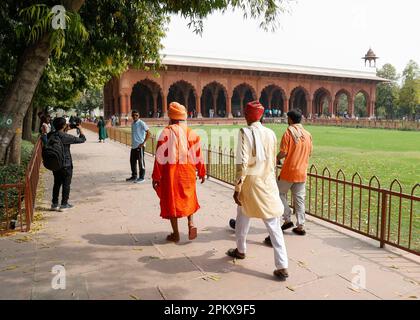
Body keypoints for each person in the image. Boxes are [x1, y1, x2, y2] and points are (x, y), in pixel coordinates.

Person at [227, 100, 289, 280]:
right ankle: (282, 265)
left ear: (247, 115)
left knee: (242, 217)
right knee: (273, 225)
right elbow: (271, 161)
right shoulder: (270, 133)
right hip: (267, 182)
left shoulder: (244, 132)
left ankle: (240, 250)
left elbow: (242, 163)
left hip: (250, 183)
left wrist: (237, 186)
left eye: (245, 113)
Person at [152, 102, 206, 243]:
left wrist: (156, 176)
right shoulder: (191, 133)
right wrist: (201, 171)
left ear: (171, 117)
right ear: (183, 117)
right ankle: (191, 223)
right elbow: (198, 155)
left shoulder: (166, 132)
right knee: (189, 197)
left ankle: (176, 234)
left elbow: (159, 157)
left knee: (171, 201)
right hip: (188, 172)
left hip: (171, 174)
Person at [264, 108, 313, 245]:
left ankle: (287, 218)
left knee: (280, 193)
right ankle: (301, 225)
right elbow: (310, 153)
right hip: (302, 172)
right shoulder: (308, 134)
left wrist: (276, 158)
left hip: (289, 171)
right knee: (299, 199)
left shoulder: (289, 132)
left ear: (290, 119)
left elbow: (283, 152)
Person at [49, 117, 86, 211]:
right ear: (63, 125)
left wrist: (65, 129)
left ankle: (54, 204)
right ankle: (64, 204)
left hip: (55, 164)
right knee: (66, 184)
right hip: (66, 164)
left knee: (56, 183)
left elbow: (57, 134)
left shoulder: (51, 135)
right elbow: (82, 139)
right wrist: (80, 128)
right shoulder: (65, 137)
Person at [126, 110, 150, 183]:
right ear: (132, 116)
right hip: (134, 146)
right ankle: (134, 176)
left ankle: (142, 177)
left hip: (140, 146)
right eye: (133, 115)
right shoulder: (133, 123)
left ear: (139, 115)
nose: (135, 116)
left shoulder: (141, 123)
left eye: (136, 115)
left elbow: (149, 133)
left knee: (141, 162)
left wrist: (143, 143)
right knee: (132, 162)